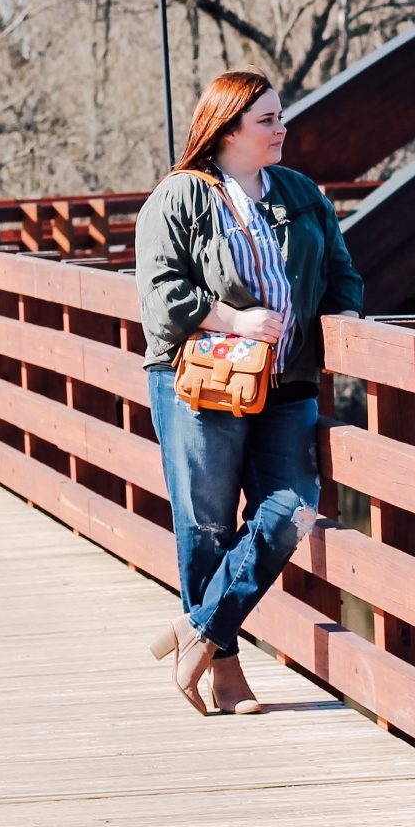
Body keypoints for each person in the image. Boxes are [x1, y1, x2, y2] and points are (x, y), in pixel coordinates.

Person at [135, 70, 364, 716]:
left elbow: (343, 276)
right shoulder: (180, 198)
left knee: (293, 508)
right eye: (267, 119)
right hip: (202, 383)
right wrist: (234, 319)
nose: (281, 127)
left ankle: (199, 628)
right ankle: (227, 675)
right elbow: (159, 294)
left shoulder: (299, 192)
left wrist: (349, 334)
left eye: (279, 115)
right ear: (228, 127)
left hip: (287, 380)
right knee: (206, 525)